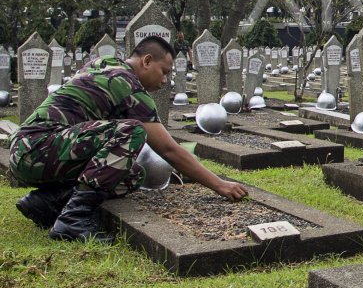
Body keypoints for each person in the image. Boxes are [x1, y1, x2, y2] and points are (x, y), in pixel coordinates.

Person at [9, 35, 249, 243]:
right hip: (39, 147)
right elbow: (168, 150)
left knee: (131, 174)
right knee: (132, 130)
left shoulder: (104, 64)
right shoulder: (128, 85)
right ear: (146, 61)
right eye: (164, 71)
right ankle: (74, 218)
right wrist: (219, 184)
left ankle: (44, 203)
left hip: (31, 151)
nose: (165, 80)